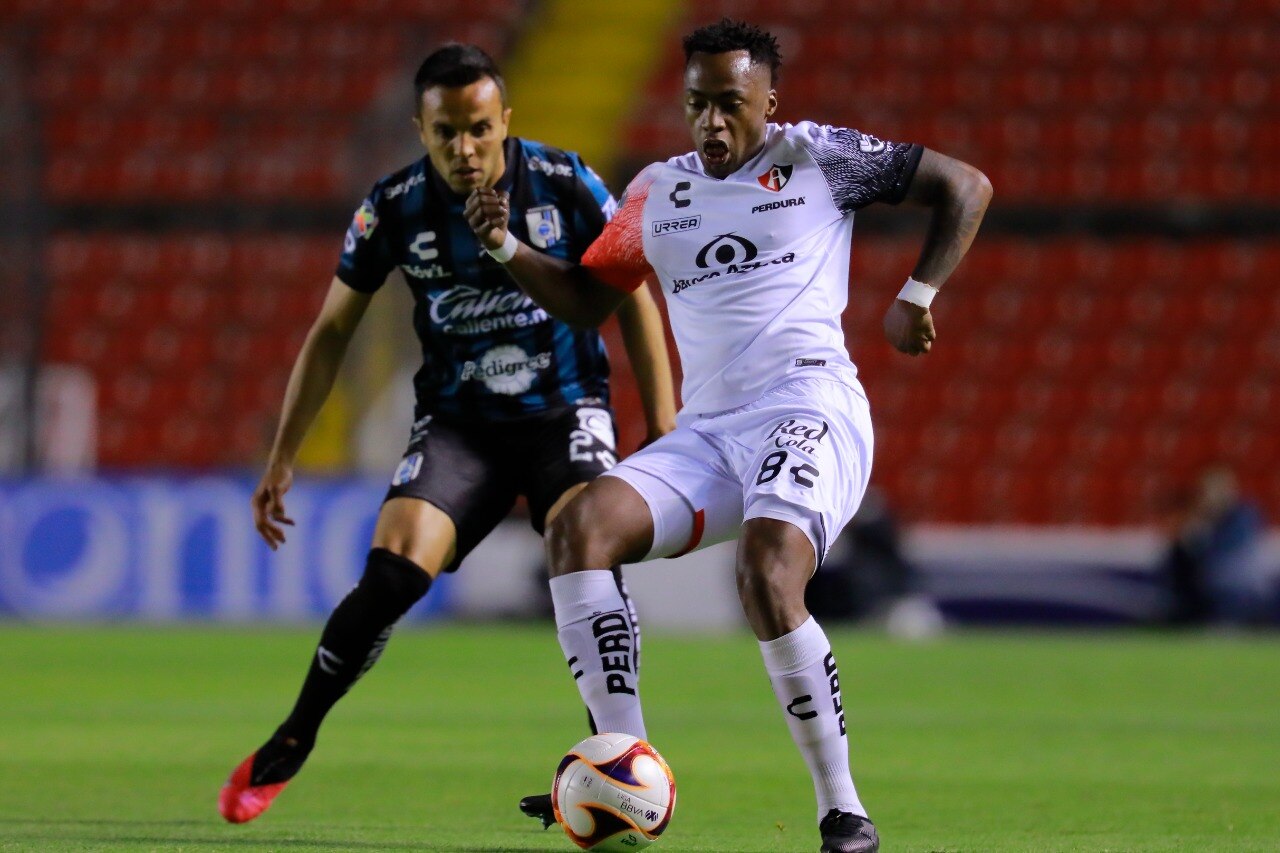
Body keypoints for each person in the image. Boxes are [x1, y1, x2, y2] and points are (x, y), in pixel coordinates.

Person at [465, 19, 991, 852]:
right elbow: (585, 298)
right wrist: (500, 244)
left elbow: (965, 184)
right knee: (577, 527)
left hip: (809, 407)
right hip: (708, 433)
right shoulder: (656, 193)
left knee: (768, 569)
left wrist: (920, 293)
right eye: (697, 105)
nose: (711, 123)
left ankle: (843, 807)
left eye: (731, 106)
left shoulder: (819, 158)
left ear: (769, 104)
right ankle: (622, 761)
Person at [218, 43, 676, 825]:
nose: (464, 150)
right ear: (419, 129)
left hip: (565, 409)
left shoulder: (565, 183)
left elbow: (630, 295)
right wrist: (283, 453)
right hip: (460, 423)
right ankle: (295, 734)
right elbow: (332, 330)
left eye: (478, 130)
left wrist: (664, 424)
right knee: (392, 574)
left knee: (587, 550)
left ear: (505, 121)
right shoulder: (392, 207)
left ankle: (618, 759)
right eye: (445, 134)